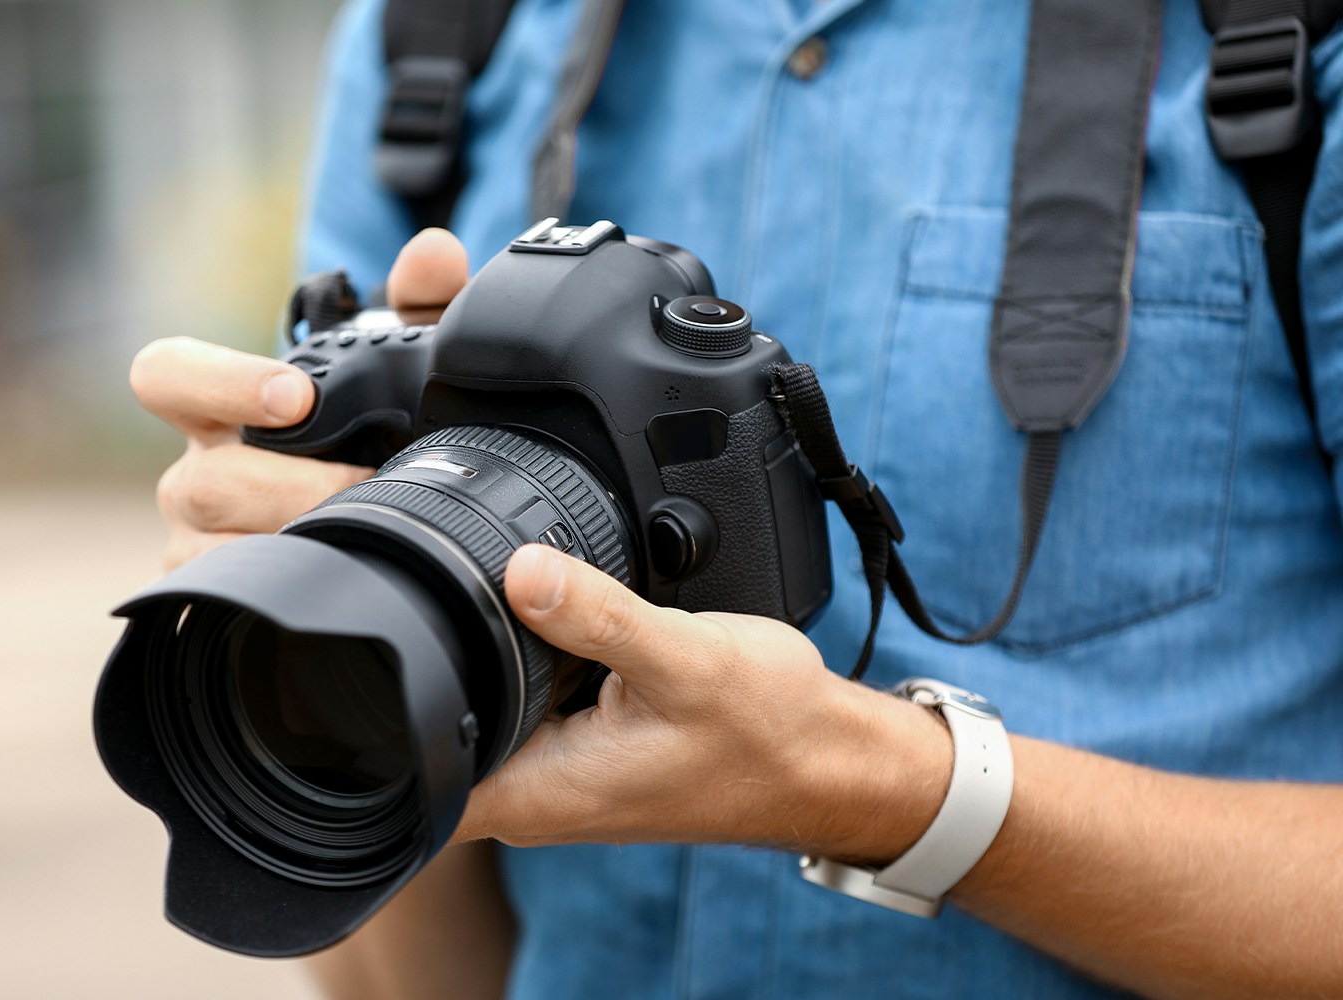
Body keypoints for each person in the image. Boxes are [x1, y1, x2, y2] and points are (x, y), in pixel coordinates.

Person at [126, 0, 1343, 997]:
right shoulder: (434, 39)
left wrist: (887, 787)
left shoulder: (1280, 44)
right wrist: (325, 620)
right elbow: (402, 968)